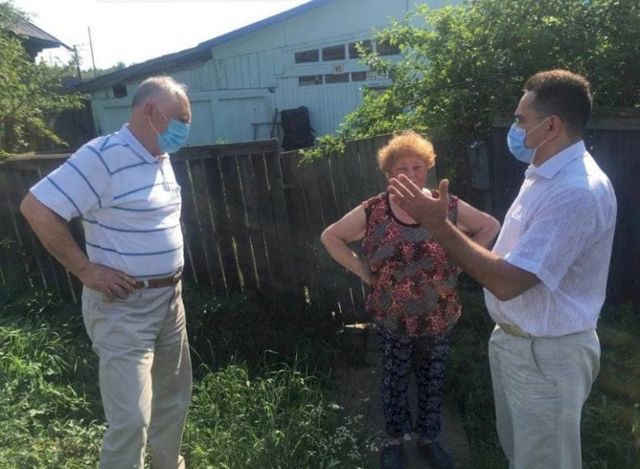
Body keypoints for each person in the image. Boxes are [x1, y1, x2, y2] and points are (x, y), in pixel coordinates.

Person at [388, 70, 617, 468]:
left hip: (546, 354)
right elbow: (512, 261)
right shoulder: (544, 177)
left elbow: (509, 282)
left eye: (521, 120)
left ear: (551, 126)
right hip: (520, 346)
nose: (516, 129)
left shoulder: (575, 191)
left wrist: (437, 225)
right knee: (522, 457)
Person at [20, 76, 193, 468]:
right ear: (150, 112)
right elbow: (36, 207)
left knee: (172, 399)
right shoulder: (102, 156)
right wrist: (85, 269)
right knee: (131, 419)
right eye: (181, 120)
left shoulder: (159, 157)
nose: (185, 129)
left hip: (171, 302)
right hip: (124, 306)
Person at [321, 131, 500, 469]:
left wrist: (462, 262)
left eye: (417, 167)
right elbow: (331, 236)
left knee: (432, 380)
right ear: (389, 173)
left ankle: (428, 440)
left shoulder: (445, 206)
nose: (411, 174)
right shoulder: (374, 210)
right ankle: (393, 442)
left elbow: (489, 226)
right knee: (394, 380)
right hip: (392, 317)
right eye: (402, 168)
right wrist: (362, 271)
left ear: (428, 168)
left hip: (439, 315)